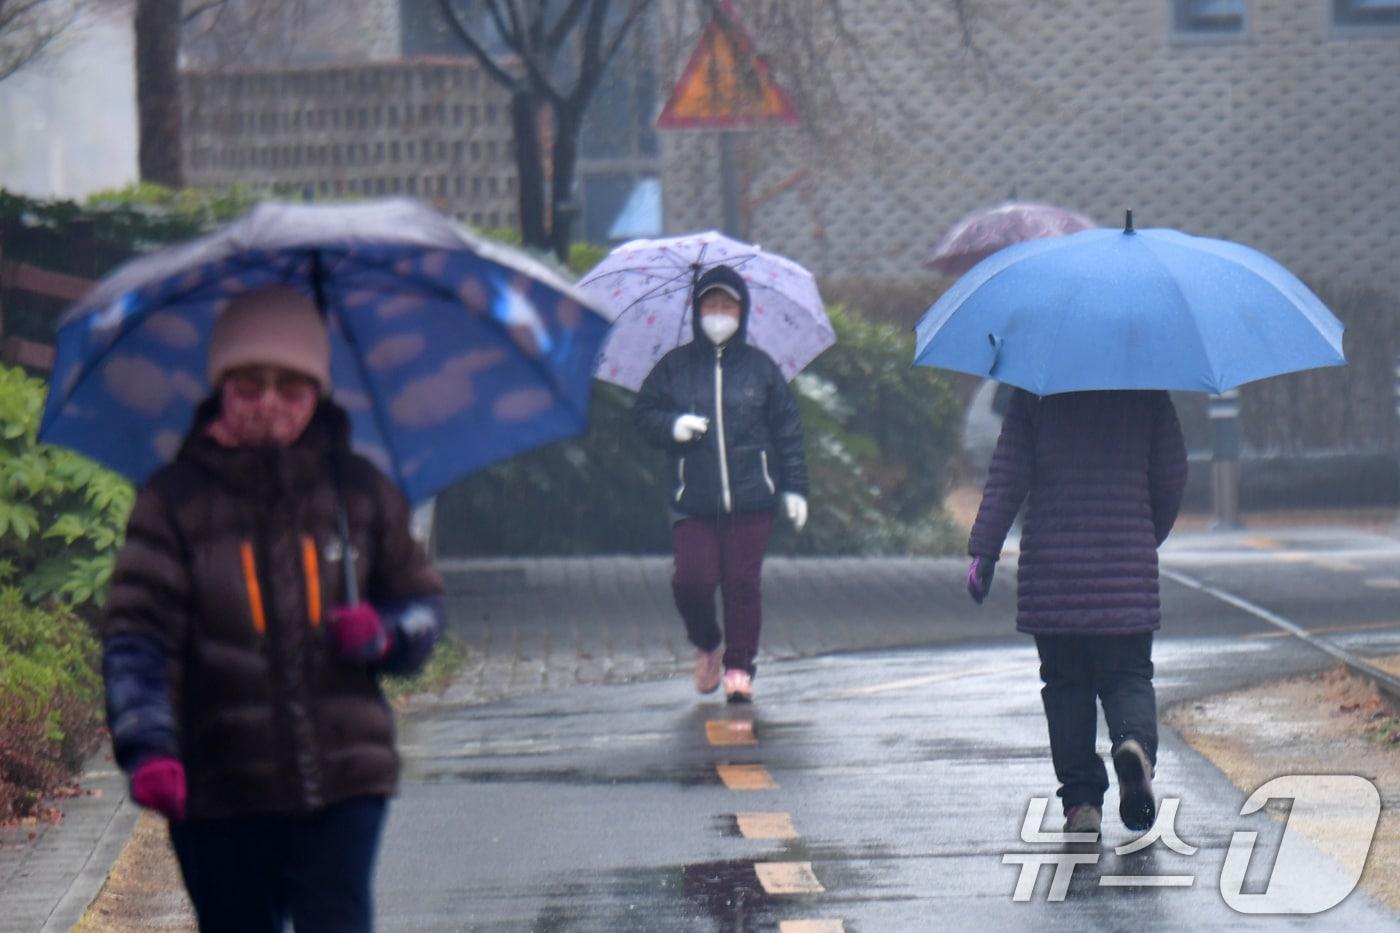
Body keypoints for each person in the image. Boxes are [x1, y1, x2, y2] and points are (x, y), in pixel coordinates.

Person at [101, 284, 445, 932]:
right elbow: (138, 638)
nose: (269, 403)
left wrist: (387, 632)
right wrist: (149, 745)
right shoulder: (173, 500)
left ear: (317, 392)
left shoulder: (358, 490)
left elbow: (421, 603)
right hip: (219, 782)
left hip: (343, 775)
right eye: (249, 385)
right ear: (221, 387)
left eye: (291, 387)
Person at [965, 389, 1187, 835]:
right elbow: (1171, 473)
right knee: (1128, 676)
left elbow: (1009, 472)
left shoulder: (1035, 388)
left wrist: (984, 550)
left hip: (1053, 570)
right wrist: (1147, 532)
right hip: (1125, 567)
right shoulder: (1144, 387)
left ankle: (1083, 802)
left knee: (1066, 686)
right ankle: (1133, 745)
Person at [634, 265, 809, 703]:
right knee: (691, 582)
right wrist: (672, 426)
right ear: (696, 311)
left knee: (742, 585)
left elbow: (787, 432)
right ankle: (708, 642)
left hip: (752, 498)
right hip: (693, 498)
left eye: (727, 306)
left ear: (741, 311)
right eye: (710, 305)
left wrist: (794, 488)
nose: (718, 314)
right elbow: (644, 415)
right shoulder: (674, 367)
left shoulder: (761, 369)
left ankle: (739, 667)